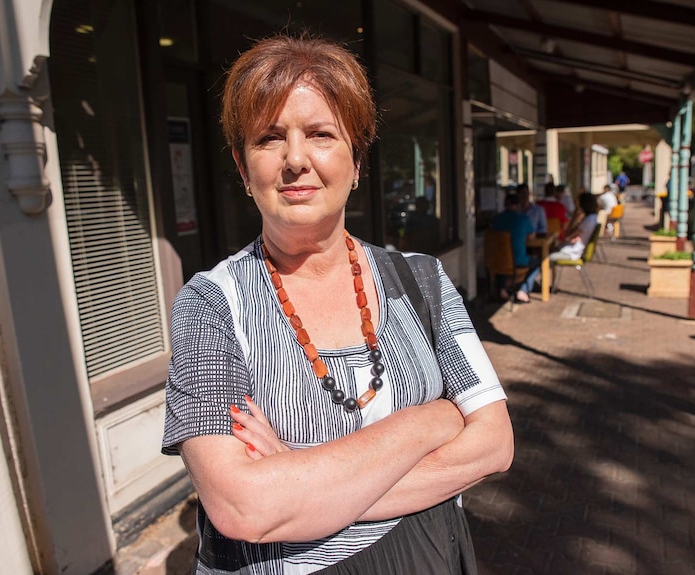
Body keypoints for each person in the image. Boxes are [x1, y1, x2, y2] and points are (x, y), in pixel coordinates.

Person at [162, 35, 514, 575]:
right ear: (241, 165)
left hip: (432, 554)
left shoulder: (420, 279)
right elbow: (243, 506)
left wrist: (299, 482)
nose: (295, 160)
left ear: (356, 162)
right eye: (269, 139)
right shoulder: (210, 306)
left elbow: (493, 446)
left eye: (320, 134)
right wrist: (432, 421)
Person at [491, 192, 537, 301]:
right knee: (538, 261)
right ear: (517, 205)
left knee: (503, 260)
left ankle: (503, 287)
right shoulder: (523, 219)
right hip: (518, 261)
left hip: (496, 260)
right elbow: (531, 237)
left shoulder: (496, 219)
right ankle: (523, 290)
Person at [549, 192, 600, 263]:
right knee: (549, 250)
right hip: (572, 249)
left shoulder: (588, 220)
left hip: (572, 252)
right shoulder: (592, 218)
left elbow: (566, 235)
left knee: (546, 257)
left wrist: (574, 217)